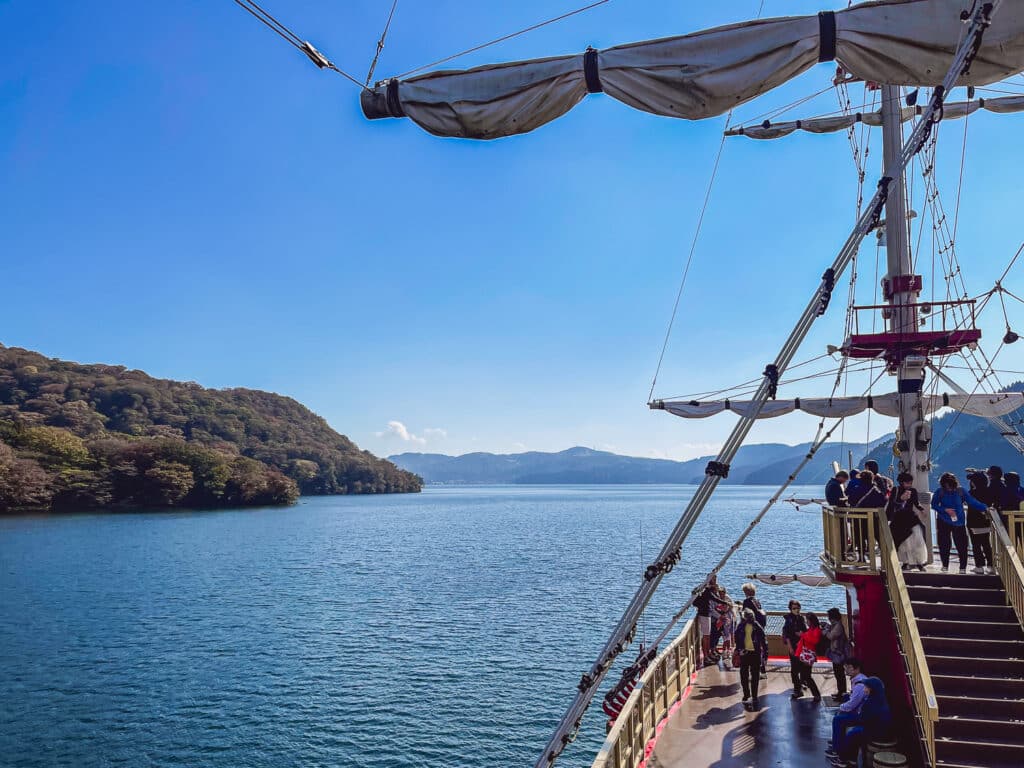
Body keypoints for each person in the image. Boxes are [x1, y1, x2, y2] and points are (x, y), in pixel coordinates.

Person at [829, 677, 892, 767]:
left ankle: (843, 759)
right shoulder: (880, 699)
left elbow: (863, 719)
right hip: (880, 729)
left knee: (853, 734)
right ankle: (851, 759)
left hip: (877, 732)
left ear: (871, 689)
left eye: (866, 687)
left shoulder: (871, 702)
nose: (864, 689)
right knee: (855, 732)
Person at [931, 472, 987, 573]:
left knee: (962, 545)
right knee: (944, 544)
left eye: (950, 487)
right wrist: (945, 510)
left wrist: (985, 508)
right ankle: (945, 565)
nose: (949, 489)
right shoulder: (939, 492)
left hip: (959, 522)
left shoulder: (961, 491)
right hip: (943, 521)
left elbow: (972, 502)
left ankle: (962, 567)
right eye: (947, 487)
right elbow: (934, 504)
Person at [826, 658, 868, 761]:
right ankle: (837, 740)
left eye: (849, 667)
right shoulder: (857, 680)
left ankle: (837, 750)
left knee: (838, 719)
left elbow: (852, 705)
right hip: (859, 709)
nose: (846, 670)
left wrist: (841, 708)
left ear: (857, 669)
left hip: (862, 714)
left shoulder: (860, 685)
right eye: (846, 667)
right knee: (840, 712)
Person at [886, 472, 928, 571]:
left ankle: (919, 562)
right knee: (903, 542)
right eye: (907, 483)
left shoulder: (913, 491)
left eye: (910, 483)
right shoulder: (896, 490)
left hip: (911, 517)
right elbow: (892, 504)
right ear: (901, 482)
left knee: (917, 540)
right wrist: (901, 499)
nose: (909, 485)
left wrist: (921, 509)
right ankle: (905, 562)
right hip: (899, 518)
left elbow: (916, 503)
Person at [734, 607, 768, 710]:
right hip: (744, 653)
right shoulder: (740, 627)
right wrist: (739, 649)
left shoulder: (757, 626)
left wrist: (765, 654)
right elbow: (737, 639)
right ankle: (746, 694)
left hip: (755, 653)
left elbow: (764, 640)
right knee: (744, 675)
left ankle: (754, 695)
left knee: (755, 675)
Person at [967, 472, 995, 575]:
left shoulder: (971, 493)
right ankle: (991, 566)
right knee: (986, 544)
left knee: (976, 545)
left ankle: (979, 566)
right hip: (986, 522)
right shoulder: (989, 492)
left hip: (973, 523)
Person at [825, 607, 853, 702]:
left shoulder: (838, 626)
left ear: (833, 617)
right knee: (838, 674)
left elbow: (831, 636)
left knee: (839, 674)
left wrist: (824, 631)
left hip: (839, 654)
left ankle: (842, 693)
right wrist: (827, 626)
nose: (829, 619)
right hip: (836, 653)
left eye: (829, 617)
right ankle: (840, 692)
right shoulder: (835, 625)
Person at [793, 612, 822, 701]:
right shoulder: (811, 629)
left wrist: (802, 635)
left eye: (808, 620)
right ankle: (810, 692)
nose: (807, 622)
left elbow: (814, 641)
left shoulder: (816, 630)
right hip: (805, 654)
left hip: (808, 655)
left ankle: (816, 694)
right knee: (804, 674)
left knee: (807, 676)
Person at [782, 599, 807, 697]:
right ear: (790, 609)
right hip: (793, 645)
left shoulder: (801, 618)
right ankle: (797, 689)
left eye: (798, 608)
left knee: (803, 666)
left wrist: (802, 634)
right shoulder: (789, 620)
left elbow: (805, 631)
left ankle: (802, 682)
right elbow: (786, 635)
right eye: (794, 608)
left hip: (802, 646)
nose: (796, 610)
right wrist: (790, 647)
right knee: (795, 668)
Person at [692, 574, 720, 665]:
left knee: (709, 636)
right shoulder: (706, 589)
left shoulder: (709, 588)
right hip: (705, 614)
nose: (715, 581)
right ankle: (706, 656)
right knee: (706, 636)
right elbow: (714, 599)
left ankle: (709, 654)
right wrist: (726, 603)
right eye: (713, 579)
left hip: (708, 614)